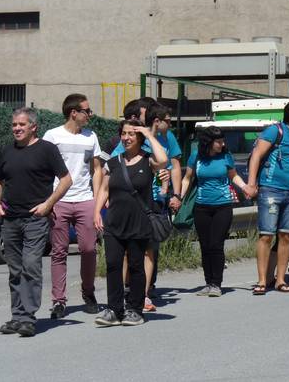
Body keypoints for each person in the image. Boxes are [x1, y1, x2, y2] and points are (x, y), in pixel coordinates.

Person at [0, 108, 73, 337]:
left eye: (21, 125)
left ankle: (28, 317)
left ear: (33, 127)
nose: (16, 128)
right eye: (14, 124)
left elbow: (66, 180)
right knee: (15, 269)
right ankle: (17, 316)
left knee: (30, 265)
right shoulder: (6, 151)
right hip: (10, 219)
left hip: (35, 219)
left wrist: (48, 205)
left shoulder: (47, 150)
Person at [94, 119, 167, 326]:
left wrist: (149, 134)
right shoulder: (113, 162)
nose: (126, 138)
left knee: (136, 266)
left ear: (139, 138)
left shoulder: (148, 161)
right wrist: (96, 212)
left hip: (139, 223)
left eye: (131, 134)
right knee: (113, 265)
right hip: (114, 223)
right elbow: (105, 190)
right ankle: (113, 309)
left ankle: (135, 309)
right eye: (124, 134)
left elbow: (163, 159)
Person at [111, 100, 181, 312]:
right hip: (130, 202)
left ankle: (144, 293)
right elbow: (110, 167)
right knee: (127, 253)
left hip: (154, 202)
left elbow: (171, 164)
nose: (138, 120)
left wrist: (173, 193)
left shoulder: (164, 139)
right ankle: (125, 292)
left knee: (149, 250)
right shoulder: (127, 142)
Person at [43, 94, 103, 319]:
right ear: (73, 113)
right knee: (58, 251)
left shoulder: (91, 137)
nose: (90, 114)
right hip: (59, 201)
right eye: (87, 110)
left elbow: (97, 169)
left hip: (85, 199)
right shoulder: (52, 136)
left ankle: (89, 293)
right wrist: (48, 200)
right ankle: (59, 301)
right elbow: (44, 169)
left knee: (89, 248)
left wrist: (97, 200)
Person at [179, 126, 251, 297]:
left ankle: (216, 284)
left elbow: (233, 176)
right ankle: (208, 282)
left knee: (216, 244)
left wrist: (244, 187)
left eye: (222, 140)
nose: (222, 144)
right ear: (209, 142)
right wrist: (178, 197)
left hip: (223, 206)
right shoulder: (196, 156)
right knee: (205, 246)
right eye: (219, 141)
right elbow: (187, 178)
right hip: (201, 206)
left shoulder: (226, 156)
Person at [246, 100, 289, 294]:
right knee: (267, 235)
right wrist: (251, 183)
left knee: (286, 235)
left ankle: (280, 280)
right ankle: (262, 280)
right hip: (270, 190)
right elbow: (257, 155)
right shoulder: (275, 131)